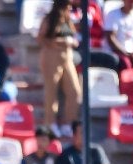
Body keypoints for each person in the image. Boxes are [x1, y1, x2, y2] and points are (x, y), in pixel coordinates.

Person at [37, 0, 82, 138]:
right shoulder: (49, 19)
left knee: (74, 91)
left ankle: (69, 123)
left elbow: (74, 37)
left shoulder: (68, 20)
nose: (69, 9)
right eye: (67, 6)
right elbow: (41, 38)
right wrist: (61, 42)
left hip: (67, 57)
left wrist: (72, 42)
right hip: (51, 56)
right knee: (51, 92)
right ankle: (50, 123)